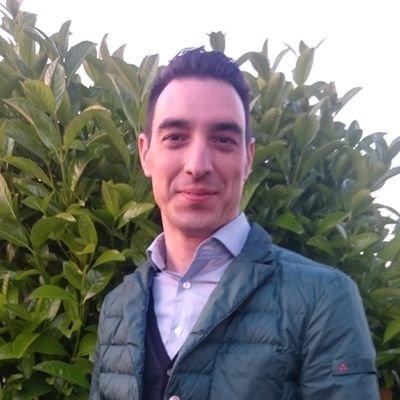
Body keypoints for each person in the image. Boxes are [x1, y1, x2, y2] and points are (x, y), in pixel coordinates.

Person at [89, 47, 379, 400]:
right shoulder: (118, 307)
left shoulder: (325, 298)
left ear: (248, 158)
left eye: (223, 140)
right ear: (145, 153)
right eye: (175, 137)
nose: (198, 165)